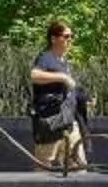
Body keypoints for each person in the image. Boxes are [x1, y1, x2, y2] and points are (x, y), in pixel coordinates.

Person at [29, 20, 87, 172]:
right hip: (51, 122)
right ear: (54, 39)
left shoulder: (64, 62)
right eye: (66, 36)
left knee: (78, 165)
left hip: (68, 120)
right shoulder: (45, 57)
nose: (70, 40)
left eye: (71, 37)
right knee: (44, 168)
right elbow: (35, 75)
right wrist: (62, 77)